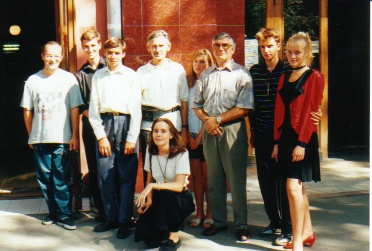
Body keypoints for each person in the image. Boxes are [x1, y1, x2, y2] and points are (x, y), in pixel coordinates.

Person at [192, 32, 254, 242]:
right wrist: (208, 122)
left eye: (225, 45)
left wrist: (216, 120)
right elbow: (197, 105)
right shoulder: (206, 74)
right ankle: (218, 222)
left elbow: (244, 107)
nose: (221, 49)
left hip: (232, 131)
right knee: (214, 179)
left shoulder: (242, 74)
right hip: (210, 131)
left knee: (236, 181)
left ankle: (241, 224)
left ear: (233, 48)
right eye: (217, 45)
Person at [20, 41, 83, 230]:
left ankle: (65, 215)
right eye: (49, 55)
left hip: (62, 138)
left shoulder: (69, 79)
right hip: (40, 138)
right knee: (45, 179)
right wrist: (32, 135)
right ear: (42, 56)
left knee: (61, 178)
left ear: (61, 57)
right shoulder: (33, 80)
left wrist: (74, 136)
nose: (53, 59)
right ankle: (53, 213)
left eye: (56, 55)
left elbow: (75, 109)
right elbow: (27, 110)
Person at [272, 32, 324, 251]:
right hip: (284, 139)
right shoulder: (284, 76)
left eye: (297, 52)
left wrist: (302, 143)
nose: (293, 56)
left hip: (302, 138)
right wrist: (276, 142)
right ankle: (308, 232)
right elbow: (278, 111)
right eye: (289, 52)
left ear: (307, 54)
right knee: (298, 189)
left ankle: (298, 241)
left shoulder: (315, 77)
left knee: (292, 187)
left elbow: (312, 112)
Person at [88, 37, 141, 239]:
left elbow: (136, 109)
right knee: (104, 175)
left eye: (117, 52)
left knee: (126, 177)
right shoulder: (98, 77)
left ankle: (124, 220)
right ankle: (110, 217)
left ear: (123, 53)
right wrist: (101, 137)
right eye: (109, 53)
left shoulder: (131, 76)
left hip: (126, 124)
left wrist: (131, 138)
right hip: (105, 124)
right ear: (105, 54)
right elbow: (93, 111)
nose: (113, 56)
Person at [137, 30, 189, 185]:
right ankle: (151, 204)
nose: (157, 49)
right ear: (148, 47)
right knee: (151, 168)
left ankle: (173, 206)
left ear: (168, 47)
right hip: (149, 128)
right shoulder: (141, 72)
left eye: (161, 46)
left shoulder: (178, 69)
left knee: (174, 167)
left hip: (174, 125)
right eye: (153, 46)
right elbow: (136, 104)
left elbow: (184, 100)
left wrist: (184, 127)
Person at [134, 118, 195, 250]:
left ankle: (174, 235)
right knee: (145, 236)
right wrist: (149, 200)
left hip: (180, 198)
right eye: (155, 131)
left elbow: (178, 186)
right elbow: (149, 180)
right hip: (160, 196)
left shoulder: (182, 153)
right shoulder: (151, 152)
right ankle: (163, 228)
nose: (158, 135)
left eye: (163, 131)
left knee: (167, 194)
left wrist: (152, 187)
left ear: (171, 134)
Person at [75, 28, 107, 222]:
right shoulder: (80, 74)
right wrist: (96, 121)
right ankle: (102, 212)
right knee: (95, 169)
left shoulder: (109, 67)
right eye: (86, 47)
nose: (90, 49)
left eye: (93, 45)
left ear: (99, 44)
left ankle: (119, 211)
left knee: (112, 167)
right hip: (91, 128)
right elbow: (80, 105)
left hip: (111, 124)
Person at [186, 49, 214, 229]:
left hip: (207, 135)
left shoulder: (211, 83)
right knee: (196, 176)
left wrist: (202, 134)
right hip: (191, 135)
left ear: (210, 64)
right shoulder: (188, 85)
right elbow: (185, 110)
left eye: (203, 62)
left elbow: (210, 111)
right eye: (196, 61)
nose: (198, 65)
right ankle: (199, 211)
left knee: (207, 176)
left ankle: (210, 212)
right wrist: (188, 133)